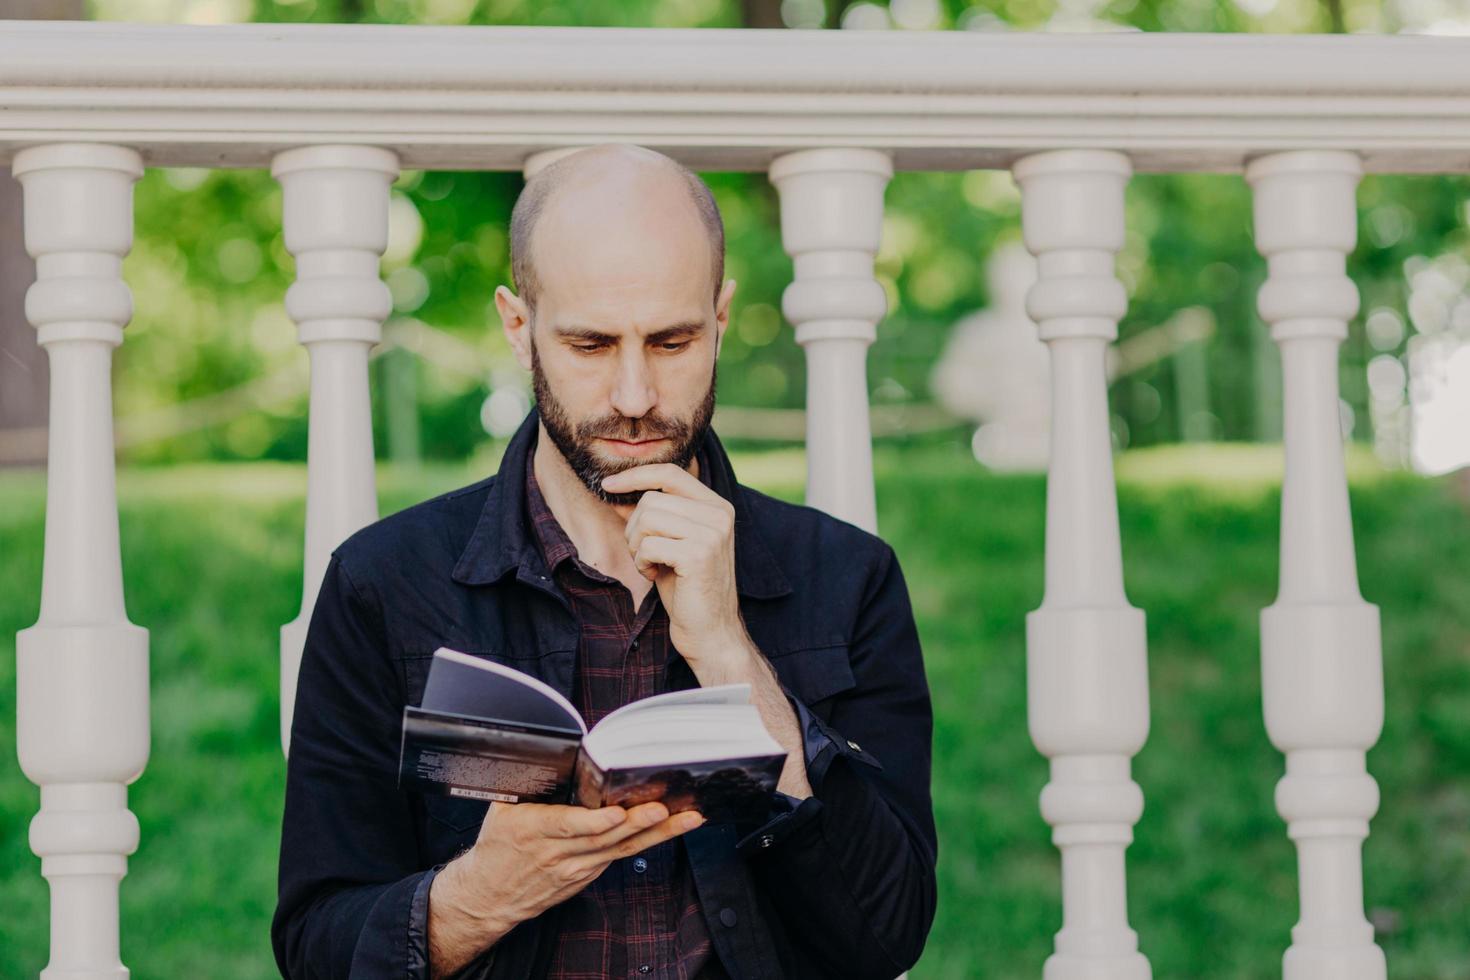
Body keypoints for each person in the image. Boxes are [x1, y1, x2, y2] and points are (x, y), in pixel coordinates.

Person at [270, 143, 937, 980]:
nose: (634, 396)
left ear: (721, 318)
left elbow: (889, 931)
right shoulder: (383, 585)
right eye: (590, 345)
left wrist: (731, 652)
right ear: (520, 328)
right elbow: (315, 945)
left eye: (672, 341)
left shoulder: (849, 578)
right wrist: (477, 896)